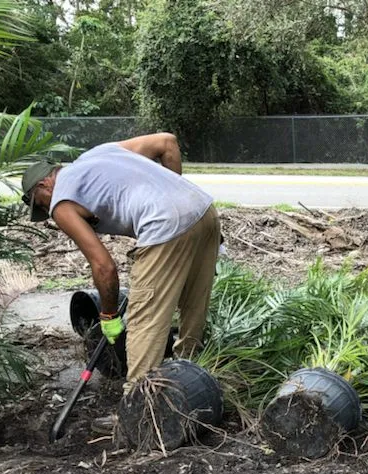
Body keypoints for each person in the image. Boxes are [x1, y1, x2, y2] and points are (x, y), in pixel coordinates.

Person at [21, 132, 219, 389]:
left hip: (165, 224)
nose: (47, 212)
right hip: (204, 210)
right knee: (194, 305)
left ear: (44, 185)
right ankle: (192, 383)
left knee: (144, 321)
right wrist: (174, 198)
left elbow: (104, 267)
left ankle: (137, 407)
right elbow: (167, 142)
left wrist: (109, 315)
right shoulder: (97, 153)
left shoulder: (61, 203)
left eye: (41, 205)